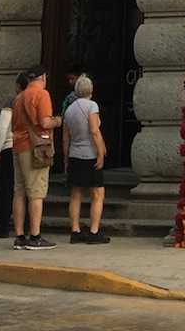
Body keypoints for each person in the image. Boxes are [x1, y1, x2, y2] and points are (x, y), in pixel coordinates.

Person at [11, 66, 61, 249]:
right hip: (35, 149)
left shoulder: (18, 98)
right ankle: (35, 236)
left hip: (18, 146)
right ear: (42, 77)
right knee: (36, 192)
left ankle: (19, 236)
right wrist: (58, 121)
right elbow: (45, 122)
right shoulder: (42, 94)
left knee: (19, 191)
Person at [63, 75, 110, 245]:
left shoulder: (69, 110)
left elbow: (65, 138)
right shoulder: (92, 106)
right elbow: (94, 130)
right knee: (97, 193)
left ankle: (75, 230)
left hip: (75, 154)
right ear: (91, 90)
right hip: (89, 154)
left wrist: (66, 159)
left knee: (76, 193)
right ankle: (94, 230)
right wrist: (100, 153)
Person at [0, 70, 28, 239]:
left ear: (18, 86)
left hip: (9, 147)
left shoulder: (12, 102)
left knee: (6, 190)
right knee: (24, 190)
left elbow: (3, 128)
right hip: (26, 148)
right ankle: (26, 227)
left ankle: (2, 228)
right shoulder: (34, 101)